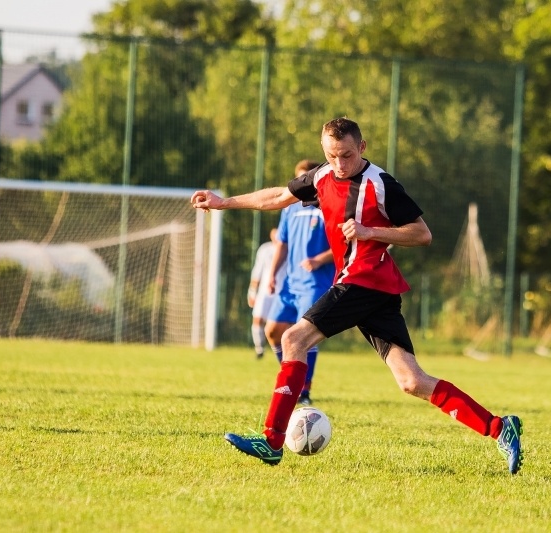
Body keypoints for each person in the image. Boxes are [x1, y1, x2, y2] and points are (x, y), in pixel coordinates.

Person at [191, 117, 523, 474]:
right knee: (412, 381)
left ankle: (272, 441)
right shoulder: (321, 175)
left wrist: (369, 232)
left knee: (293, 339)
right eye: (331, 155)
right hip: (375, 289)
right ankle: (500, 427)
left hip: (362, 280)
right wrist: (224, 203)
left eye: (347, 155)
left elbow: (421, 234)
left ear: (361, 147)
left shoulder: (381, 184)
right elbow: (278, 197)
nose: (339, 163)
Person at [265, 159, 335, 406]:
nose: (302, 184)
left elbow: (345, 244)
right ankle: (292, 380)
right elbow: (282, 243)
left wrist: (319, 259)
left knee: (302, 336)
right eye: (299, 180)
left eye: (307, 179)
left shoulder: (329, 205)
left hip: (316, 282)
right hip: (290, 282)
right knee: (273, 331)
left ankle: (303, 390)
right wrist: (272, 274)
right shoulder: (290, 208)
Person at [248, 228, 285, 359]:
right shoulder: (265, 249)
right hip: (265, 291)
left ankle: (281, 350)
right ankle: (259, 349)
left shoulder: (288, 248)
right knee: (257, 319)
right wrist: (252, 292)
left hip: (282, 292)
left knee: (280, 324)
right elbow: (257, 271)